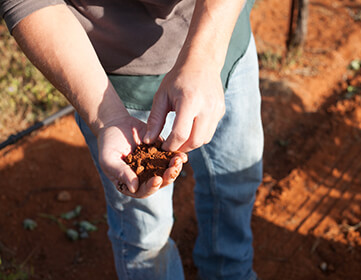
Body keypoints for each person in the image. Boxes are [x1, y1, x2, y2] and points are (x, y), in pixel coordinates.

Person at [1, 0, 264, 279]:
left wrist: (206, 58)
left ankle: (231, 272)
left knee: (236, 180)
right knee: (146, 234)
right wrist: (109, 118)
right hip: (109, 83)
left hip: (222, 35)